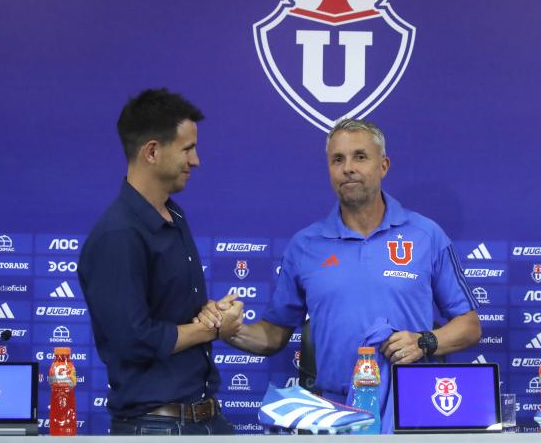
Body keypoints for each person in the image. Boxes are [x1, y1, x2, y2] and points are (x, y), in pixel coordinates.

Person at [202, 118, 481, 425]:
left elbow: (469, 326)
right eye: (338, 159)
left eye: (360, 157)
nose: (348, 168)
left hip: (412, 408)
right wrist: (230, 329)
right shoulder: (305, 245)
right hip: (335, 414)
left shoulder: (426, 235)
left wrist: (424, 342)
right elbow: (273, 335)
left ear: (384, 166)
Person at [78, 88, 237, 435]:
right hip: (155, 427)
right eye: (187, 149)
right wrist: (211, 329)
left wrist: (211, 312)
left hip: (205, 418)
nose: (196, 160)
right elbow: (133, 339)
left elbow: (174, 311)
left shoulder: (174, 216)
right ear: (152, 151)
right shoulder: (118, 235)